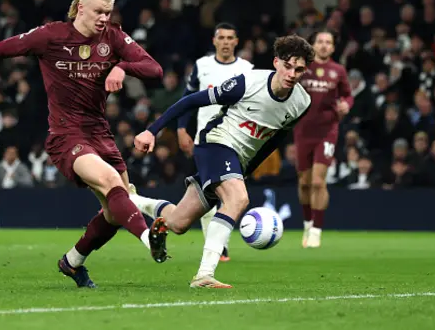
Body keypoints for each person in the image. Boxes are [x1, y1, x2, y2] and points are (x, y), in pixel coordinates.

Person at [0, 0, 166, 288]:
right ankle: (148, 237)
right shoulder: (51, 35)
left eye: (108, 13)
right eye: (99, 12)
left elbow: (155, 70)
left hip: (100, 133)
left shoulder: (113, 38)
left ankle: (72, 262)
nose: (104, 19)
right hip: (66, 135)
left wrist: (123, 67)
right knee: (114, 185)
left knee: (114, 213)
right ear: (82, 7)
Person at [130, 35, 313, 288]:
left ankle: (129, 199)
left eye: (299, 69)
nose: (292, 73)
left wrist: (247, 169)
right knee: (238, 199)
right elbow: (191, 100)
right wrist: (152, 130)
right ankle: (204, 274)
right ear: (276, 62)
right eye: (288, 65)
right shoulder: (248, 82)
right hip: (215, 143)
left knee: (179, 223)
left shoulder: (302, 103)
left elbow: (273, 140)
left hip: (237, 160)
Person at [177, 22, 253, 262]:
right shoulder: (202, 65)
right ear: (214, 40)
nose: (226, 42)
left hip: (236, 138)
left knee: (230, 194)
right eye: (222, 38)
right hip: (206, 139)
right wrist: (181, 129)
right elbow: (188, 98)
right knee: (212, 190)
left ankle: (218, 244)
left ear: (237, 42)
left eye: (231, 38)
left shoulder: (247, 69)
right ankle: (219, 247)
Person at [294, 30, 352, 248]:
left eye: (329, 42)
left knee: (319, 181)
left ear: (334, 47)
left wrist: (346, 105)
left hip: (327, 131)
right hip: (302, 131)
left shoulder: (338, 71)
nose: (324, 45)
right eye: (320, 41)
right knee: (304, 183)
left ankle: (316, 230)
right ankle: (307, 223)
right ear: (313, 45)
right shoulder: (302, 68)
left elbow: (347, 95)